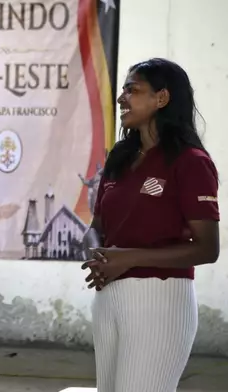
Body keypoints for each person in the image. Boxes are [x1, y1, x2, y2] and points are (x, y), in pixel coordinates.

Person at [82, 58, 220, 392]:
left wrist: (128, 258)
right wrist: (97, 254)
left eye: (132, 90)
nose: (121, 99)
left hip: (161, 299)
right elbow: (97, 225)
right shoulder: (120, 157)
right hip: (108, 297)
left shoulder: (191, 162)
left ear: (162, 98)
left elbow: (207, 248)